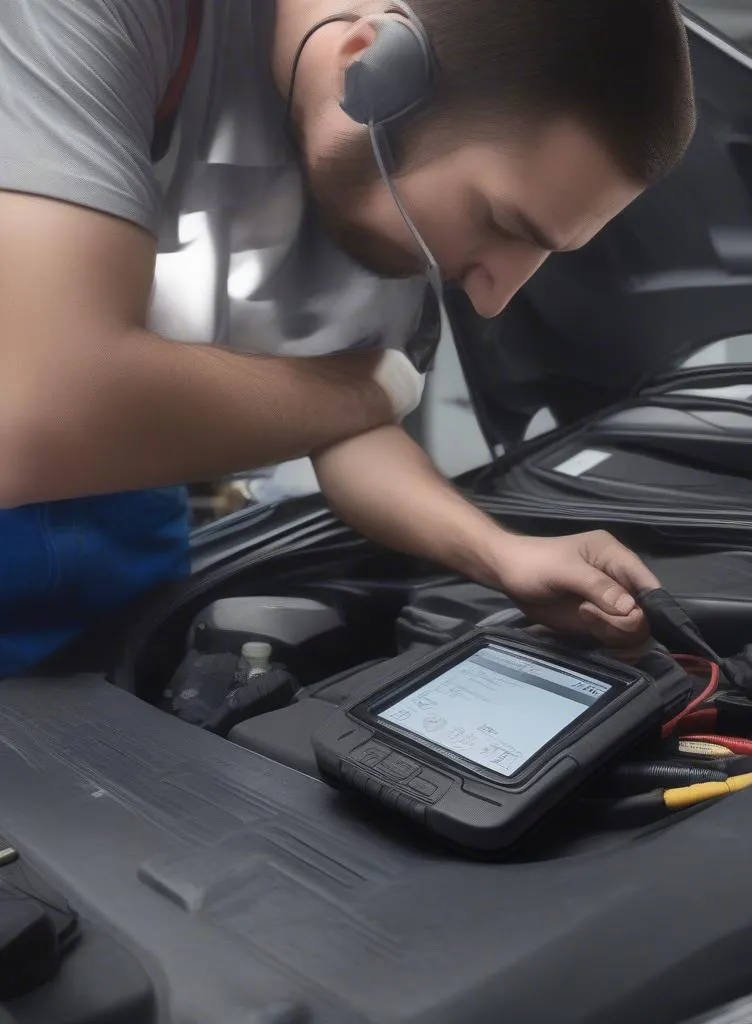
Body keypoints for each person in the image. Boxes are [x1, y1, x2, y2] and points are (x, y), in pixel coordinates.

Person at [0, 0, 696, 677]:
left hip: (120, 501)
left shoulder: (374, 155)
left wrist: (500, 554)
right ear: (369, 66)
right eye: (500, 222)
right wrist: (364, 389)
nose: (492, 300)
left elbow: (346, 420)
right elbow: (39, 418)